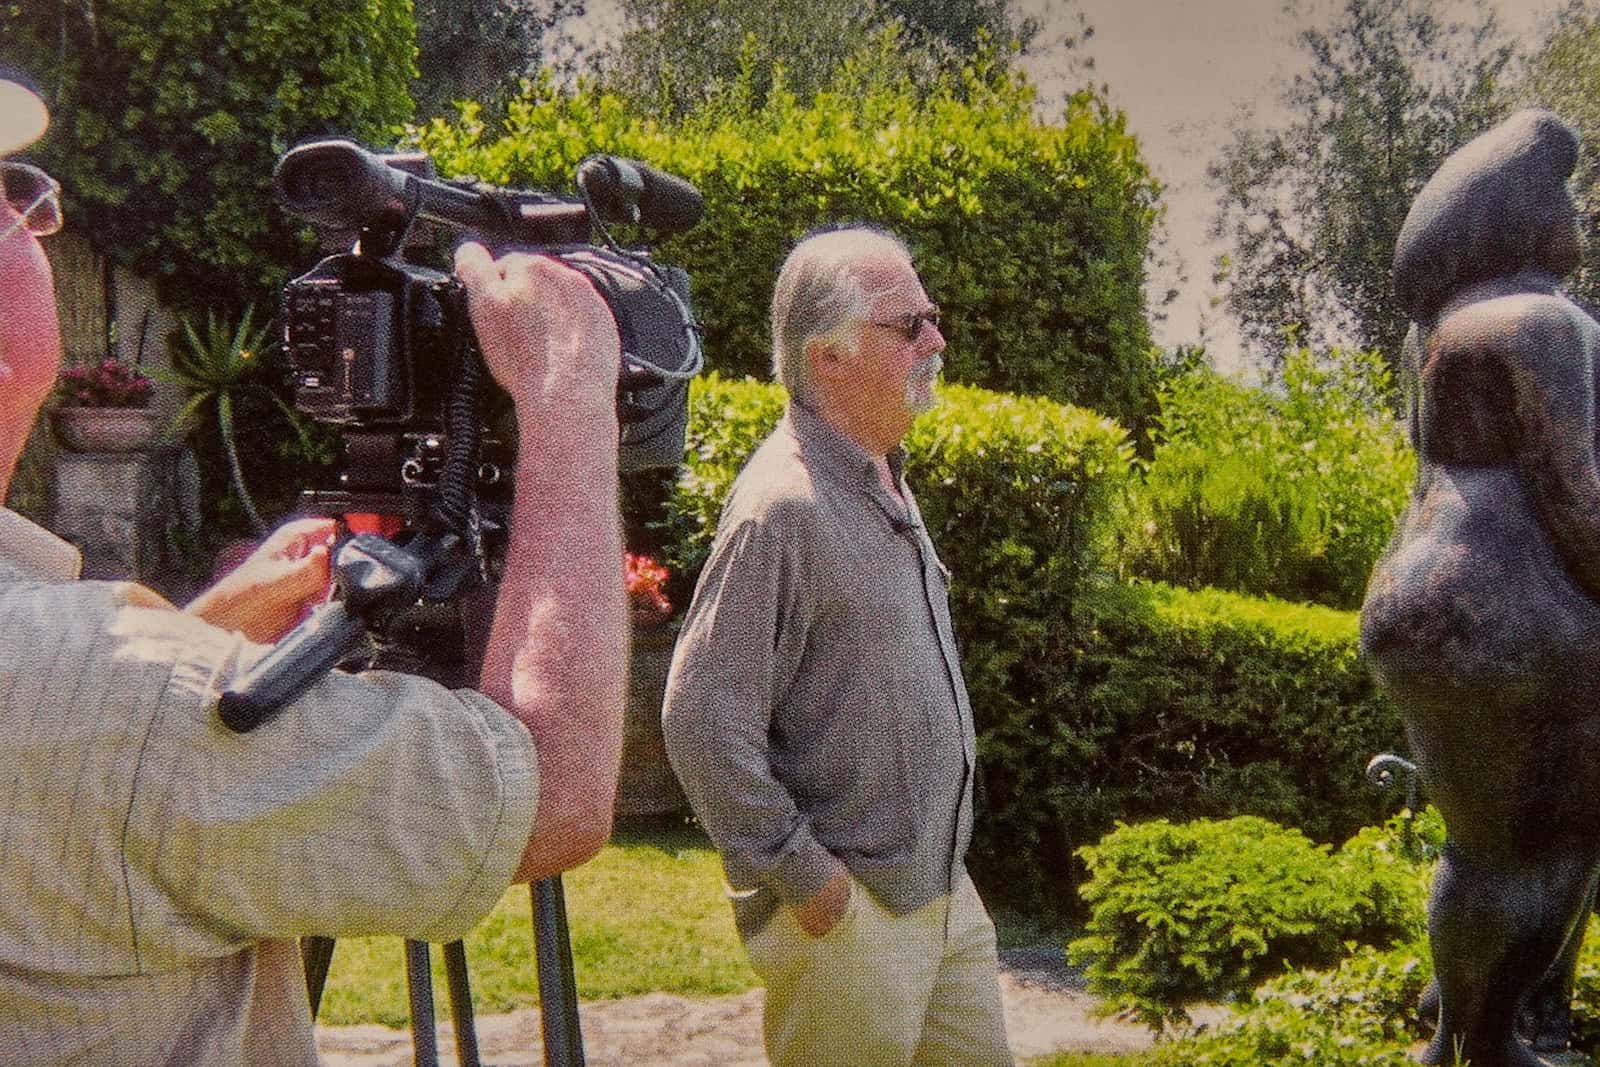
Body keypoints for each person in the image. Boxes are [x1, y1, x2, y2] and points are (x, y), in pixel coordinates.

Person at [0, 69, 626, 1063]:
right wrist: (565, 398)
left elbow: (94, 766)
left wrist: (213, 620)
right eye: (11, 196)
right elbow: (545, 794)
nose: (32, 221)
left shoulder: (84, 680)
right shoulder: (108, 695)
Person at [661, 225, 1012, 1066]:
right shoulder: (783, 506)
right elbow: (700, 718)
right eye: (909, 325)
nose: (936, 338)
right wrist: (805, 878)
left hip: (940, 895)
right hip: (851, 916)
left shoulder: (881, 473)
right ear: (828, 357)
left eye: (930, 316)